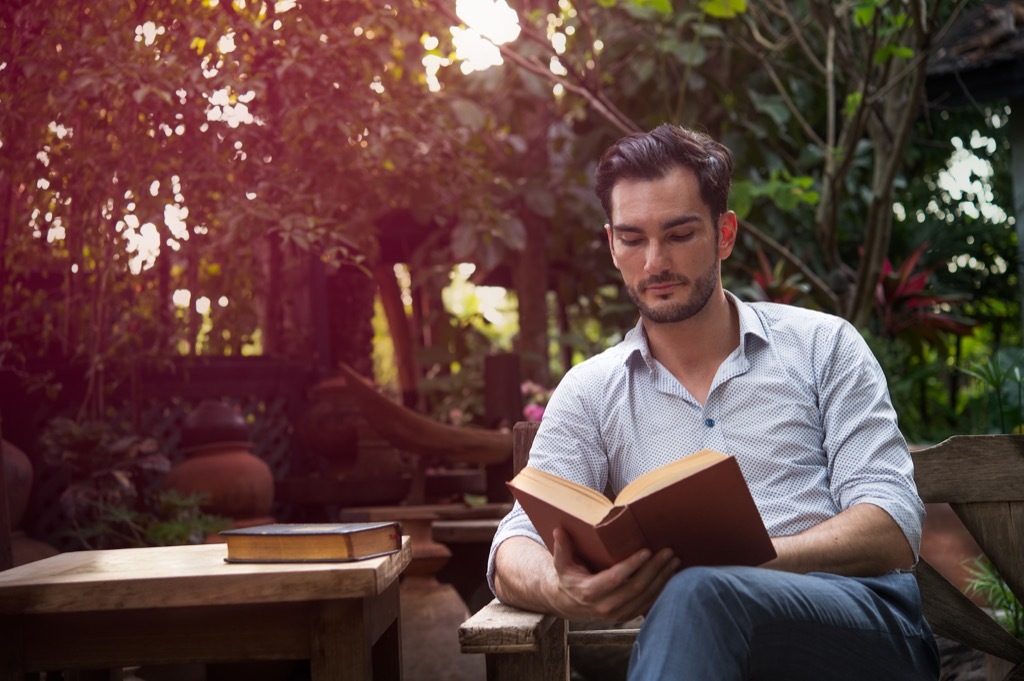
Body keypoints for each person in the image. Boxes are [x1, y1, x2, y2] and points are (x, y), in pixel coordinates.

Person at [486, 123, 940, 680]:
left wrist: (736, 563)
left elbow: (892, 524)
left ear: (724, 234)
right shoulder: (592, 390)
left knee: (699, 590)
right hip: (709, 646)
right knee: (699, 596)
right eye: (632, 239)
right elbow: (512, 548)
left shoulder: (824, 345)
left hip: (860, 626)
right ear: (611, 244)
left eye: (679, 235)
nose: (654, 263)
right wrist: (568, 591)